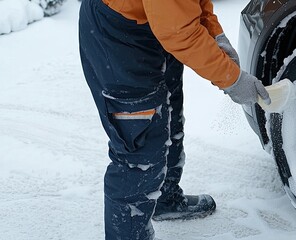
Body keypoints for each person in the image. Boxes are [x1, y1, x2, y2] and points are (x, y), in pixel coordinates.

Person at [78, 0, 270, 239]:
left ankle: (164, 199)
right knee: (140, 145)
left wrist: (214, 33)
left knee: (168, 112)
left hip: (158, 20)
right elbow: (179, 34)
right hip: (119, 35)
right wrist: (231, 79)